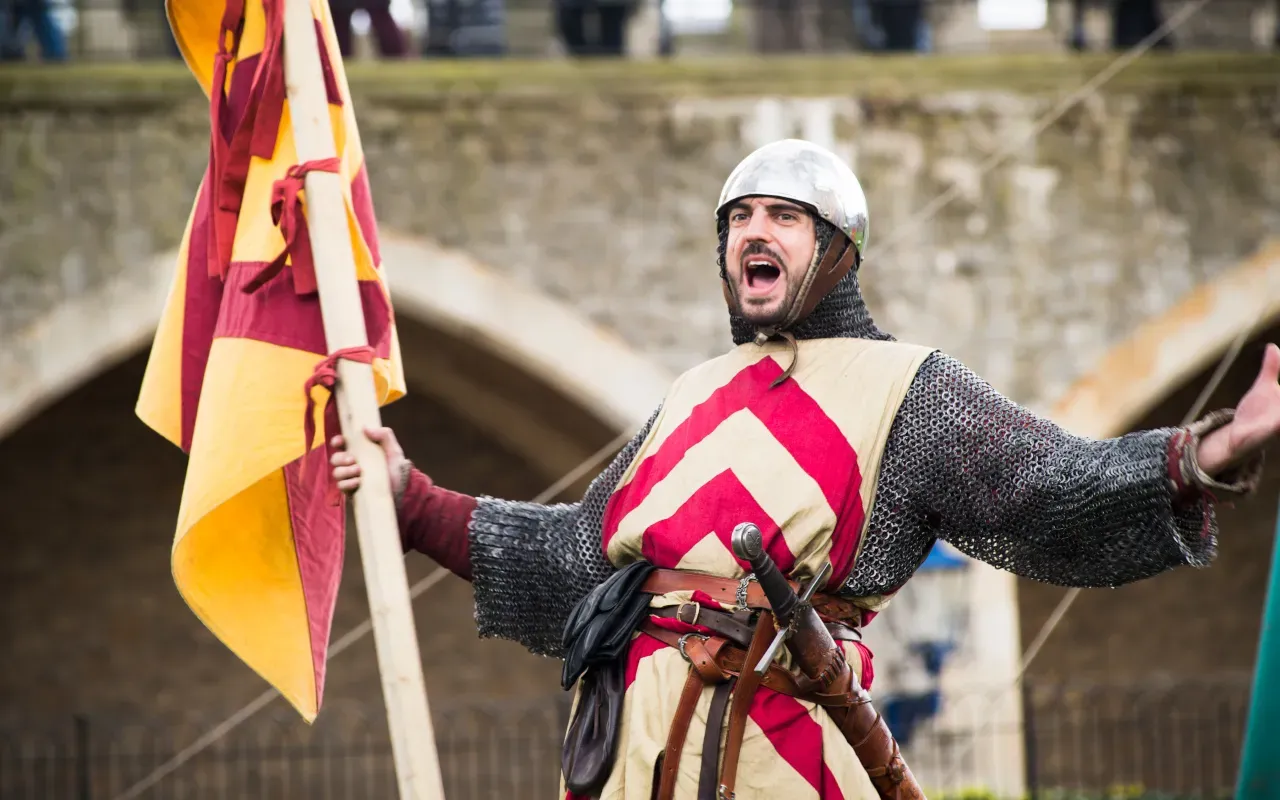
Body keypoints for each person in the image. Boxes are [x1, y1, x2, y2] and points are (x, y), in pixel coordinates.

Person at [330, 139, 1279, 799]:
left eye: (784, 216)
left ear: (836, 250)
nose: (755, 232)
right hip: (635, 744)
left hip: (788, 733)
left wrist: (1205, 452)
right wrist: (412, 500)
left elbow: (1044, 487)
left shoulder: (907, 387)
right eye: (740, 216)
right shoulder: (693, 391)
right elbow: (581, 555)